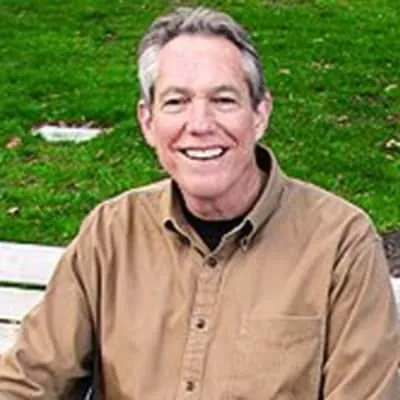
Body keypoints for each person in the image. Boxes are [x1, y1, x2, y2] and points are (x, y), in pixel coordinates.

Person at [0, 6, 398, 399]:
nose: (201, 125)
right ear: (148, 122)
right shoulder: (111, 233)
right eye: (176, 102)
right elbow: (28, 381)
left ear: (260, 114)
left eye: (223, 100)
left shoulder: (339, 243)